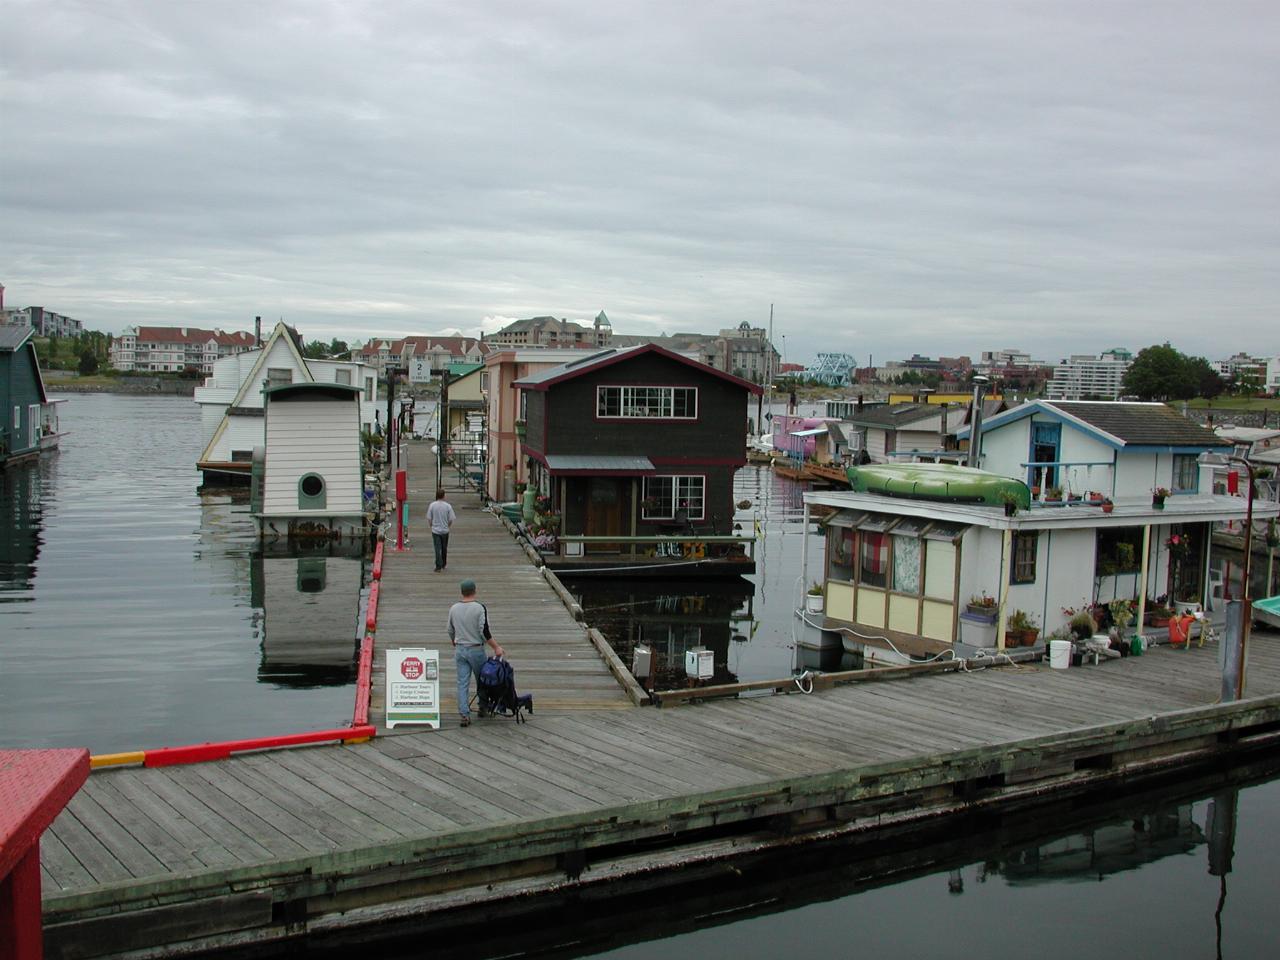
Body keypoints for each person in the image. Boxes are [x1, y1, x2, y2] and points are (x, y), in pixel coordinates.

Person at [448, 579, 504, 726]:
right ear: (474, 591)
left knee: (462, 683)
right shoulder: (480, 608)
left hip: (460, 649)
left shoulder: (453, 608)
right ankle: (482, 706)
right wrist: (496, 647)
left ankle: (464, 714)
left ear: (462, 592)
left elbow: (449, 629)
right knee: (482, 680)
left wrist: (454, 640)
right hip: (476, 649)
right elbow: (484, 631)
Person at [425, 488, 456, 572]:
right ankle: (444, 563)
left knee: (437, 548)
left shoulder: (432, 505)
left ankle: (438, 566)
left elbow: (429, 518)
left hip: (435, 530)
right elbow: (451, 519)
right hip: (445, 530)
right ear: (444, 496)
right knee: (444, 548)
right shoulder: (448, 506)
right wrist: (448, 526)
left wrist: (431, 525)